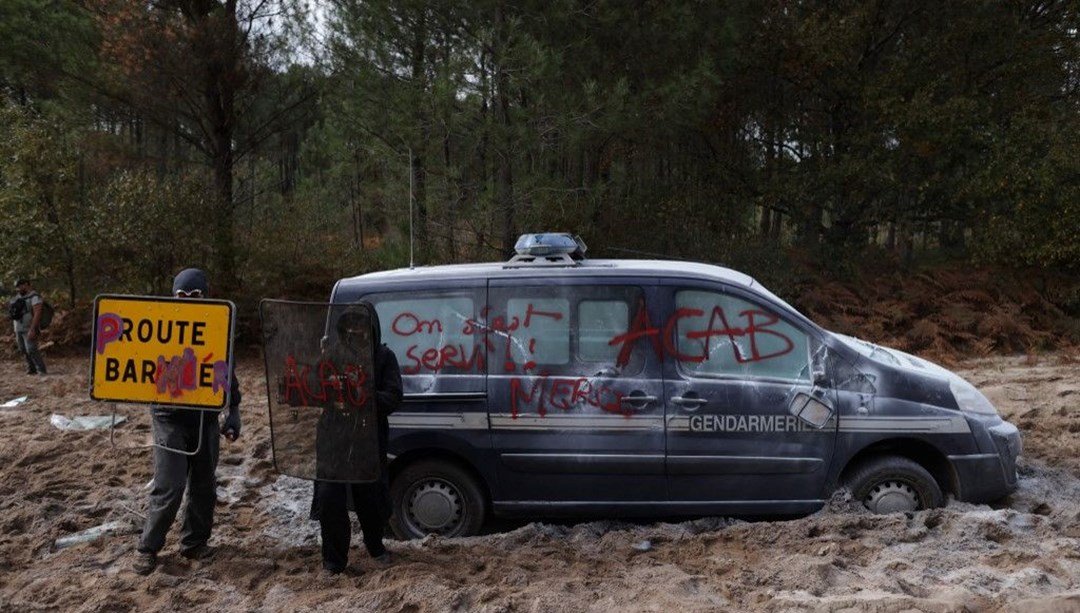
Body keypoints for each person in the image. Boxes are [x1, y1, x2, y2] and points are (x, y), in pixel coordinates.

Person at [132, 268, 242, 575]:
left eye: (196, 295)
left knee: (204, 485)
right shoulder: (159, 327)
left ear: (206, 296)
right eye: (182, 295)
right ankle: (148, 547)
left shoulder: (218, 325)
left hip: (206, 418)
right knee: (170, 486)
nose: (190, 301)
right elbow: (137, 364)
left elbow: (225, 369)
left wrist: (234, 410)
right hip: (169, 418)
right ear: (173, 296)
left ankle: (195, 543)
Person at [310, 302, 402, 575]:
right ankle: (333, 561)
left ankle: (375, 546)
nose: (354, 332)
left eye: (360, 326)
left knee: (370, 497)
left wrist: (363, 397)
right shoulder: (332, 356)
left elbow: (395, 396)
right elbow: (311, 390)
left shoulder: (384, 357)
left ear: (371, 328)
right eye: (349, 327)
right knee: (330, 498)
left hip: (367, 437)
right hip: (333, 437)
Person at [12, 278, 47, 375]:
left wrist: (33, 328)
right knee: (22, 349)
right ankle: (31, 369)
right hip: (18, 327)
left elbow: (37, 313)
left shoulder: (34, 297)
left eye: (20, 286)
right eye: (17, 287)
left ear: (26, 284)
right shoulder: (18, 297)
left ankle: (41, 369)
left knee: (31, 349)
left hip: (29, 327)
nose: (18, 288)